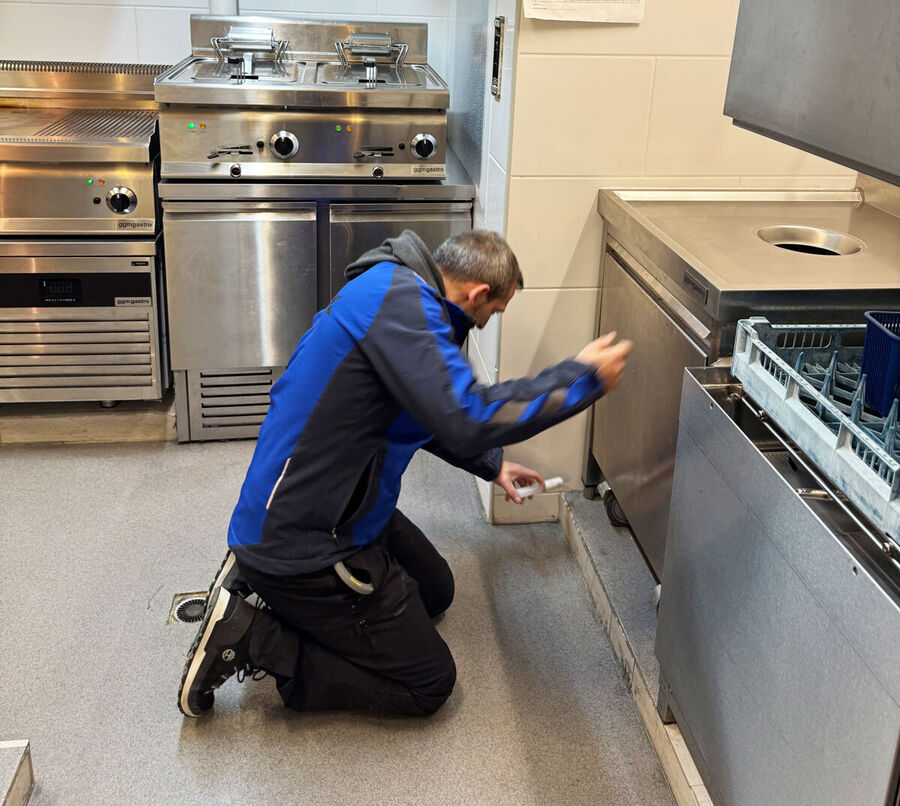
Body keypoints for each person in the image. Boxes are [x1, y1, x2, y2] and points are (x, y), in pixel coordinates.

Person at [177, 229, 632, 718]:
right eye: (494, 312)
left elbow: (422, 410)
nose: (486, 322)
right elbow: (465, 416)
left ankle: (271, 588)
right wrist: (580, 379)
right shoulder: (402, 307)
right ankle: (254, 638)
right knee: (429, 683)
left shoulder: (393, 289)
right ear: (478, 295)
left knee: (436, 591)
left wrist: (493, 465)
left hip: (324, 506)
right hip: (305, 539)